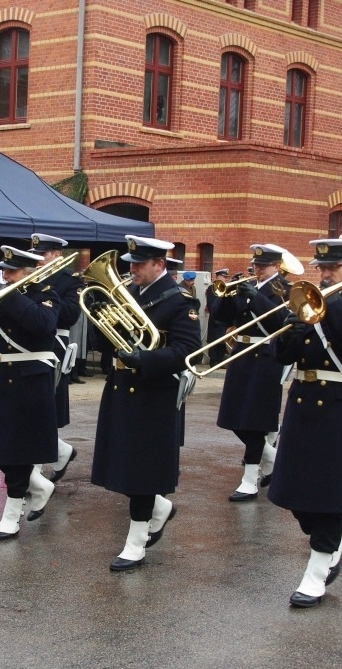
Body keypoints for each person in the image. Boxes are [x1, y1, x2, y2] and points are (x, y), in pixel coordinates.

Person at [267, 238, 342, 607]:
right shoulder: (305, 299)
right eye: (322, 267)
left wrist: (332, 305)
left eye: (334, 266)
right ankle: (331, 540)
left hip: (341, 406)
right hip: (304, 404)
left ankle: (317, 572)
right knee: (296, 492)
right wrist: (291, 332)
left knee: (330, 494)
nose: (326, 273)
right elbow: (282, 355)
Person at [90, 235, 201, 571]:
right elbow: (109, 343)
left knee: (141, 471)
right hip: (122, 386)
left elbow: (188, 351)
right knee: (123, 464)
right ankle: (159, 507)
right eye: (130, 264)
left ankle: (136, 543)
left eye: (139, 264)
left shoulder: (180, 301)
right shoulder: (129, 294)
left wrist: (145, 360)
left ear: (159, 265)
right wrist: (98, 319)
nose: (132, 270)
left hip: (154, 393)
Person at [0, 246, 60, 541]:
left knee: (19, 450)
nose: (4, 276)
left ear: (29, 272)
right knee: (0, 448)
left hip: (31, 379)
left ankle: (11, 514)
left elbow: (43, 325)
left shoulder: (45, 293)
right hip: (2, 378)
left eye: (11, 271)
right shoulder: (3, 295)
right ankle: (38, 486)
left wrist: (10, 296)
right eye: (4, 271)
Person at [215, 244, 290, 502]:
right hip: (241, 353)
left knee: (255, 421)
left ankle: (249, 479)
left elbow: (281, 323)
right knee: (233, 416)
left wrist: (256, 298)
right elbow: (221, 318)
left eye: (263, 266)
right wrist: (225, 296)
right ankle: (271, 455)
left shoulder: (285, 290)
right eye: (256, 265)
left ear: (277, 266)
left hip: (266, 356)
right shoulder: (249, 286)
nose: (257, 269)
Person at [27, 233, 83, 484]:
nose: (38, 258)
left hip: (54, 344)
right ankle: (61, 451)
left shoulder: (70, 280)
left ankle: (35, 471)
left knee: (43, 406)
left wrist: (44, 300)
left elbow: (71, 315)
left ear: (56, 255)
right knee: (32, 406)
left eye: (43, 254)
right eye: (36, 253)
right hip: (27, 342)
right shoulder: (28, 275)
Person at [206, 268, 231, 366]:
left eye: (226, 277)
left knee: (222, 342)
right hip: (215, 319)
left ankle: (219, 361)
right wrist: (216, 317)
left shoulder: (225, 287)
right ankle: (213, 361)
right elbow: (211, 304)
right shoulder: (212, 288)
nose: (225, 279)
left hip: (224, 319)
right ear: (217, 277)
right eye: (223, 277)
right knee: (215, 341)